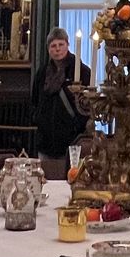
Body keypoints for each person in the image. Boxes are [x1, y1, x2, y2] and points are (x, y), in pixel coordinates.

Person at [31, 27, 87, 178]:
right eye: (53, 46)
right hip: (46, 140)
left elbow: (87, 104)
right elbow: (35, 100)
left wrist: (78, 124)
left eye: (60, 45)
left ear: (67, 45)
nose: (57, 49)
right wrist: (38, 118)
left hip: (71, 140)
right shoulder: (42, 73)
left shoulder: (81, 71)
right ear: (48, 49)